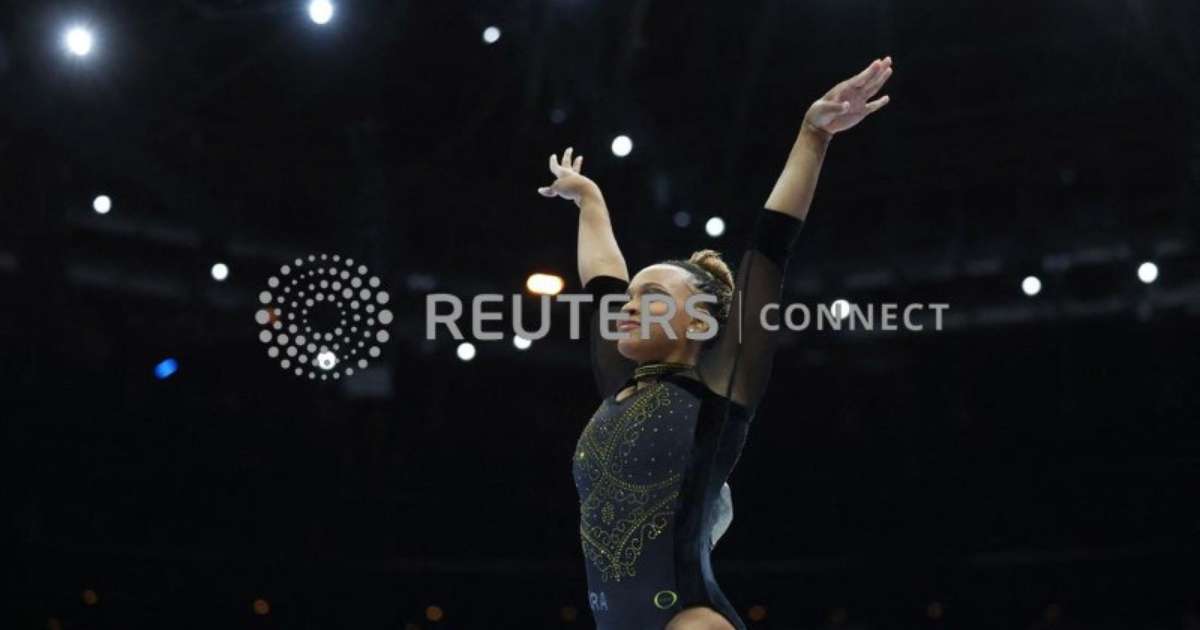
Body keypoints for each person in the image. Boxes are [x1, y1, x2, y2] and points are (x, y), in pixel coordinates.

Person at [538, 56, 894, 630]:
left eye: (651, 296)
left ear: (702, 324)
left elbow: (770, 249)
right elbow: (603, 277)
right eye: (631, 297)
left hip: (687, 618)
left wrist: (813, 134)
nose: (627, 306)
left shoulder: (719, 388)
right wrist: (590, 200)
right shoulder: (618, 381)